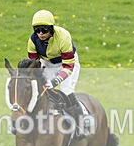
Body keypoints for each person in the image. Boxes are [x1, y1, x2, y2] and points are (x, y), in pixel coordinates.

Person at [27, 9, 89, 137]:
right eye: (37, 30)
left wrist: (55, 81)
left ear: (51, 28)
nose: (40, 33)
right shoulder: (32, 40)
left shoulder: (63, 37)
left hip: (67, 63)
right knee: (42, 90)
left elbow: (68, 66)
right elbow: (34, 64)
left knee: (66, 90)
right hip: (48, 63)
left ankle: (82, 124)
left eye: (44, 30)